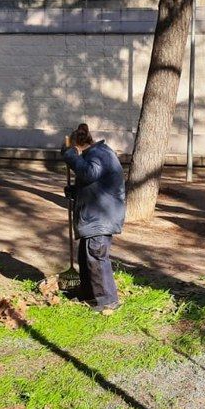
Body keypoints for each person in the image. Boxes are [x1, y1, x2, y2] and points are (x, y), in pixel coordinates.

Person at [62, 124, 125, 314]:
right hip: (96, 215)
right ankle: (89, 294)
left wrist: (71, 156)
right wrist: (75, 191)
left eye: (75, 152)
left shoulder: (98, 154)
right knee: (86, 256)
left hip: (101, 218)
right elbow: (95, 183)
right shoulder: (96, 153)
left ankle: (107, 301)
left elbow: (89, 173)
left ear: (77, 146)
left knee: (96, 257)